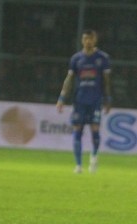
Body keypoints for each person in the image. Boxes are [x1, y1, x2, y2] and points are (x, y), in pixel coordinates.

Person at [56, 29, 111, 174]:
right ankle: (78, 165)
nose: (88, 41)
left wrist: (108, 98)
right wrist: (62, 97)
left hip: (95, 101)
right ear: (82, 40)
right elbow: (69, 79)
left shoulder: (102, 58)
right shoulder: (76, 59)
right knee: (77, 131)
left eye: (90, 38)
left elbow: (106, 81)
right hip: (79, 100)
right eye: (86, 38)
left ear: (95, 40)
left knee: (95, 130)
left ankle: (94, 156)